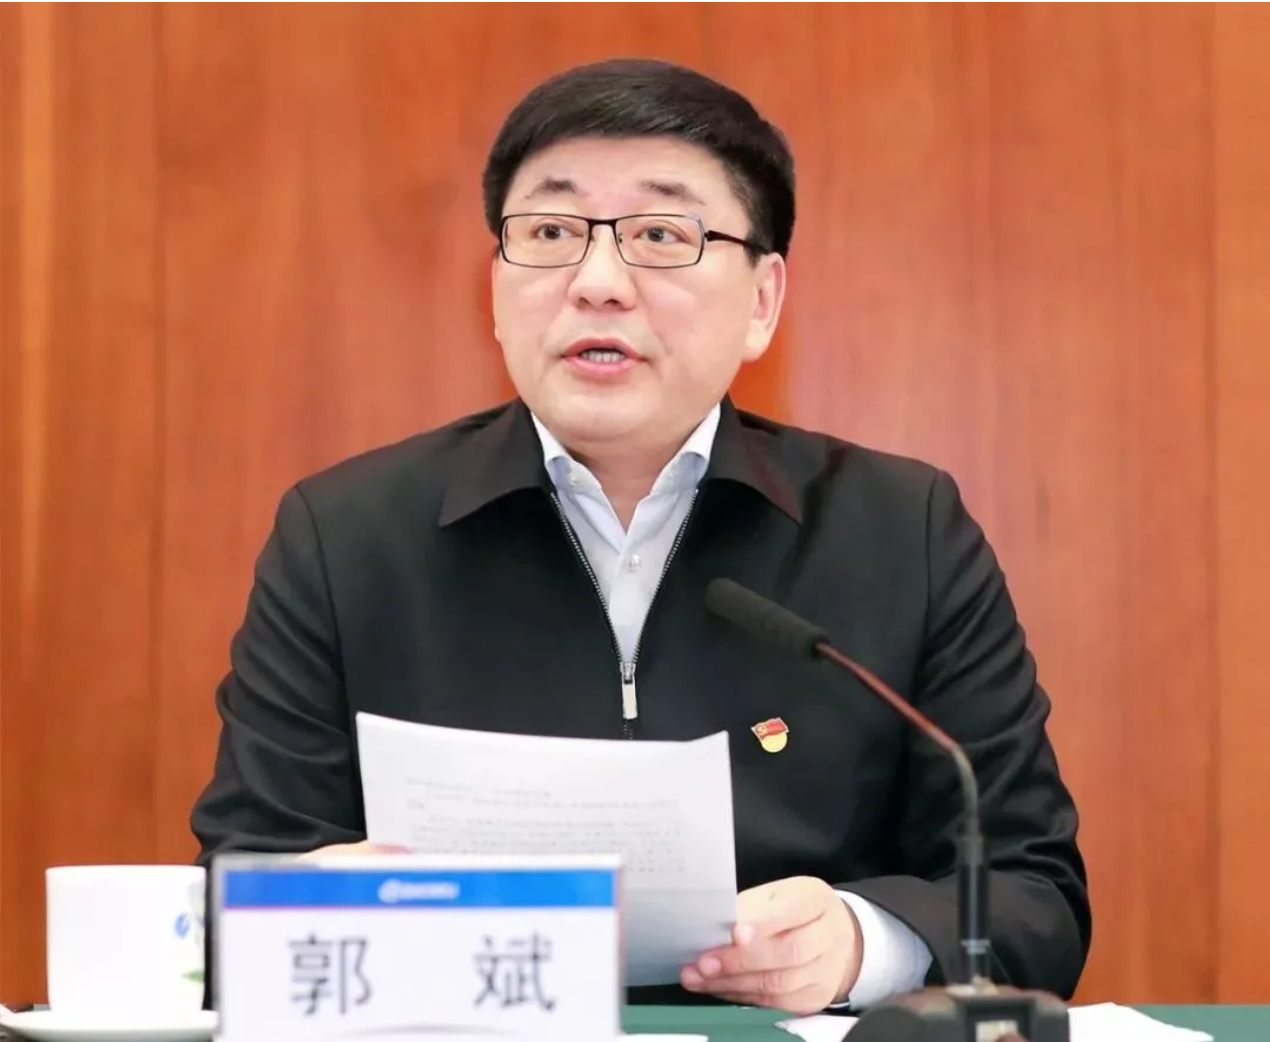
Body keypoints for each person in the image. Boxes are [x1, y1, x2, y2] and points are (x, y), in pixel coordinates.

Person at [190, 57, 1090, 1015]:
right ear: (495, 288)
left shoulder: (901, 530)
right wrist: (308, 904)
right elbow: (229, 896)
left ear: (762, 302)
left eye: (662, 234)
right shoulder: (348, 536)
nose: (598, 283)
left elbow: (1034, 894)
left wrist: (864, 944)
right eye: (550, 233)